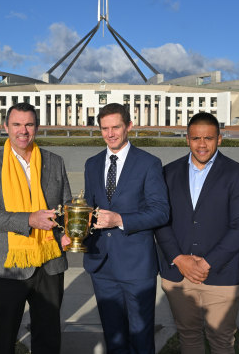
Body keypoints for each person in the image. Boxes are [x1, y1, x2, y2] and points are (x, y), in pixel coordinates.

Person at [155, 112, 239, 354]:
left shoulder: (237, 173)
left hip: (221, 274)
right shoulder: (167, 173)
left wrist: (207, 263)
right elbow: (160, 220)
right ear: (187, 139)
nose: (202, 144)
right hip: (178, 274)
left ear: (219, 139)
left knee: (222, 341)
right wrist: (180, 259)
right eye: (196, 138)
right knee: (188, 337)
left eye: (208, 138)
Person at [0, 102, 72, 354]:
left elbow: (67, 206)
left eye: (29, 124)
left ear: (37, 127)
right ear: (5, 127)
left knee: (48, 335)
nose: (23, 130)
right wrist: (29, 220)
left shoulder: (55, 162)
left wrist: (65, 233)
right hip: (9, 265)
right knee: (5, 337)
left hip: (50, 262)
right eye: (17, 124)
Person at [83, 103, 169, 354]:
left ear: (129, 126)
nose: (110, 134)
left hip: (136, 266)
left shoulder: (148, 163)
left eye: (116, 127)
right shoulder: (92, 163)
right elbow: (89, 206)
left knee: (141, 337)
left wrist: (119, 219)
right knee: (114, 337)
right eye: (104, 128)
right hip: (101, 264)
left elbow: (160, 211)